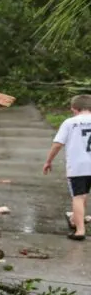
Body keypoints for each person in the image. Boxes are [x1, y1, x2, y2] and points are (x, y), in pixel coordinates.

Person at [43, 94, 91, 241]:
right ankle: (74, 220)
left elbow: (58, 144)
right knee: (84, 195)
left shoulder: (70, 123)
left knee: (78, 196)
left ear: (74, 109)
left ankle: (80, 230)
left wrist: (48, 161)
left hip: (78, 166)